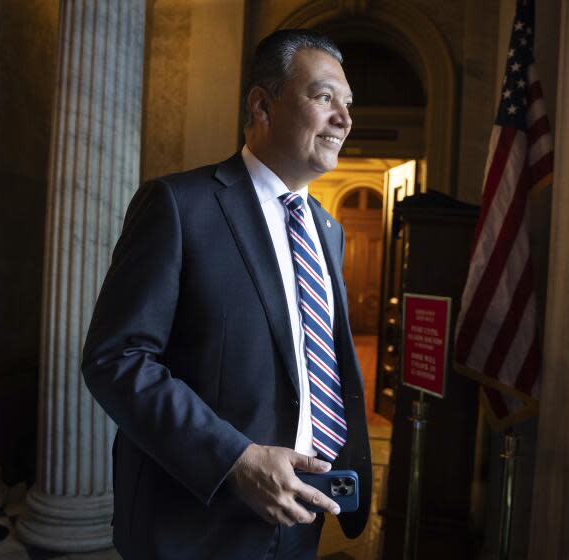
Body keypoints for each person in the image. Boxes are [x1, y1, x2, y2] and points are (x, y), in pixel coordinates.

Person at [81, 29, 372, 559]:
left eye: (348, 105)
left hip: (302, 516)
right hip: (195, 523)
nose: (345, 119)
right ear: (263, 105)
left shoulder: (329, 231)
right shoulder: (178, 205)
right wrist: (235, 460)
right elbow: (116, 359)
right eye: (324, 96)